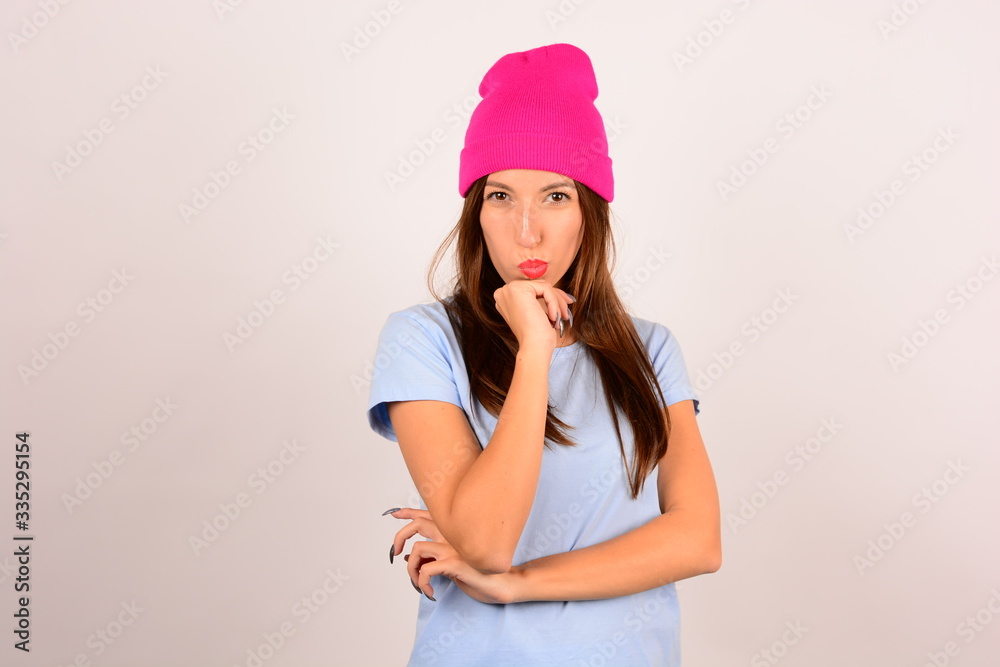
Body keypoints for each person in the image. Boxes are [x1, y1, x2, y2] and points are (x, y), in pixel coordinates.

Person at [366, 42, 721, 666]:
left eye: (555, 196)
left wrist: (518, 585)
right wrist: (535, 348)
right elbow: (485, 543)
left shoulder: (651, 350)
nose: (526, 229)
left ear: (590, 210)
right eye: (500, 196)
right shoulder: (423, 339)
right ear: (476, 211)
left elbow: (696, 540)